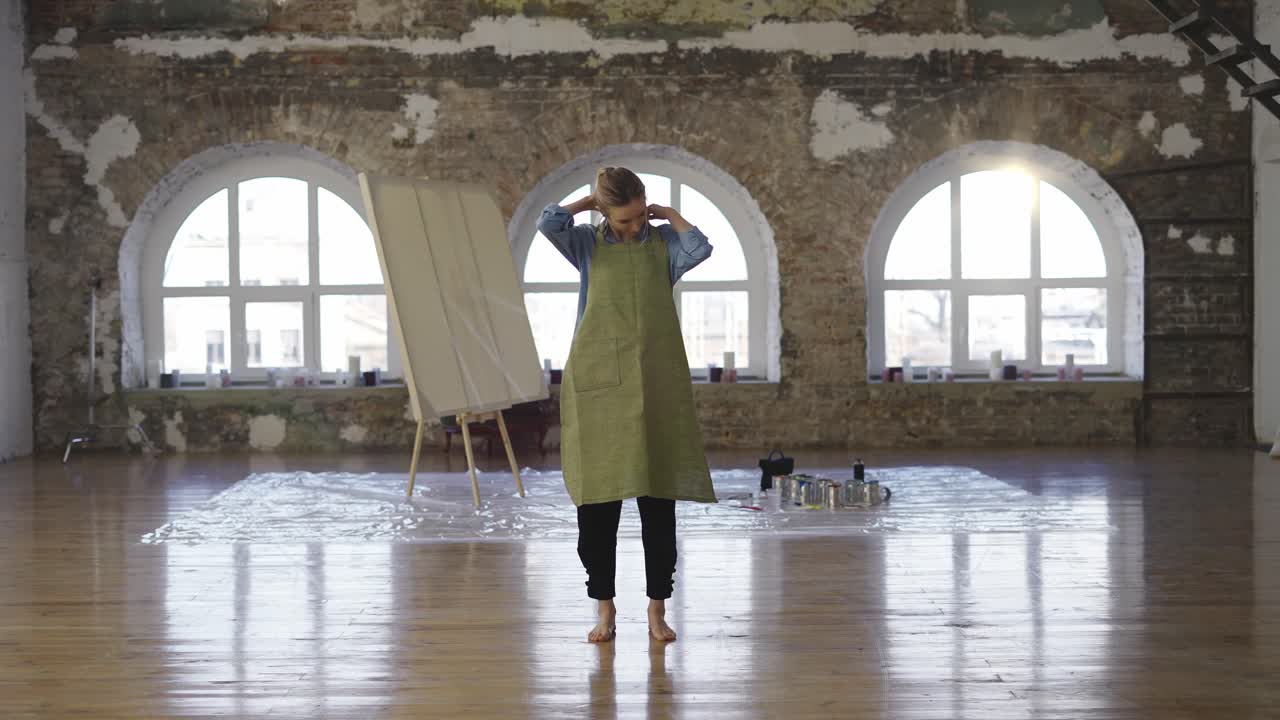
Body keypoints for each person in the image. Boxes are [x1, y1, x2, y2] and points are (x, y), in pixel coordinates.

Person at [537, 166, 718, 643]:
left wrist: (668, 214)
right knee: (598, 505)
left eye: (639, 216)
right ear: (604, 213)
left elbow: (700, 247)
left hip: (656, 385)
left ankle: (657, 609)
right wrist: (587, 205)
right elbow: (549, 223)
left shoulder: (664, 247)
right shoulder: (587, 246)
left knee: (658, 502)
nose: (634, 226)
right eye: (623, 220)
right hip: (599, 386)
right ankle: (605, 607)